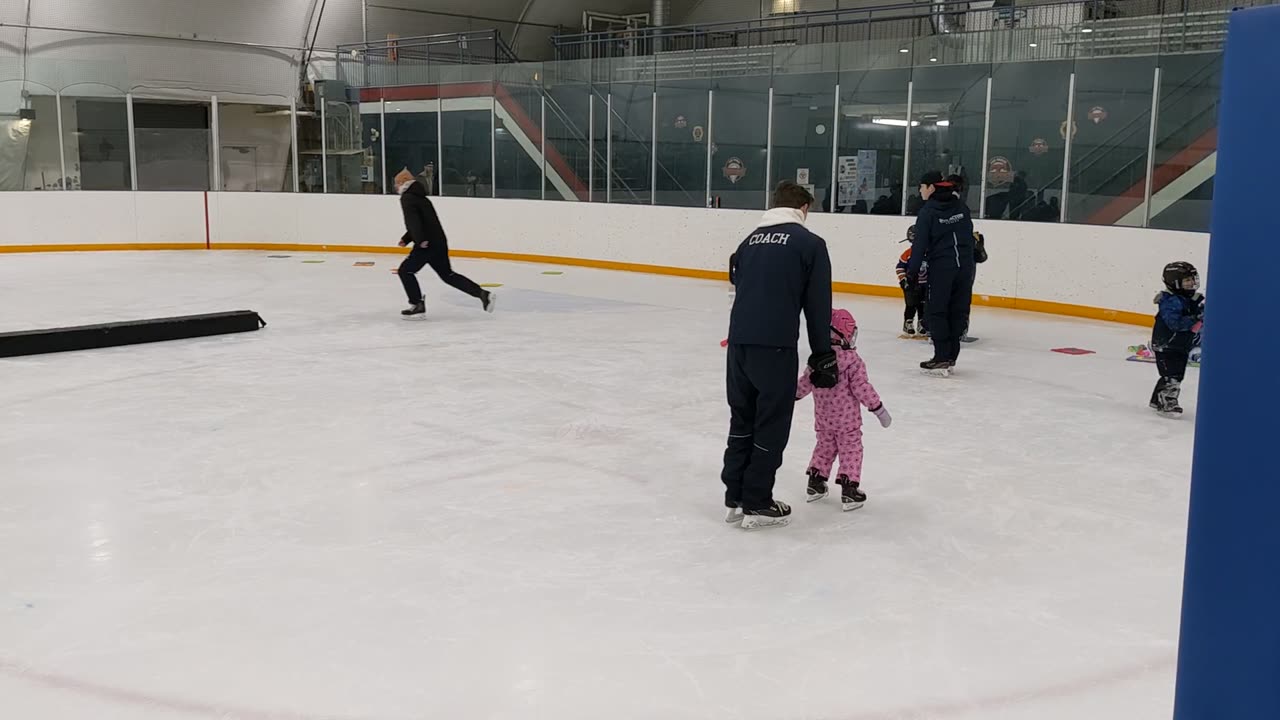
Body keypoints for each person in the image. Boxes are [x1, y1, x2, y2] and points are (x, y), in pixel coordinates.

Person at [722, 180, 835, 530]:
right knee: (771, 423)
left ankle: (735, 497)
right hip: (775, 348)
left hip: (738, 346)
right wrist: (822, 355)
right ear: (803, 208)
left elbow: (738, 285)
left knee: (742, 420)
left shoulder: (748, 242)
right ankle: (758, 500)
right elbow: (818, 307)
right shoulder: (810, 244)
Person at [795, 309, 892, 512]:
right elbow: (862, 388)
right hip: (847, 422)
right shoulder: (852, 362)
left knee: (824, 448)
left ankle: (815, 483)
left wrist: (789, 397)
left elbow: (805, 383)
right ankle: (849, 490)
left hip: (823, 420)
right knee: (851, 451)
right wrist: (879, 409)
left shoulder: (818, 359)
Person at [394, 168, 496, 318]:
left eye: (396, 184)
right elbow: (424, 222)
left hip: (426, 244)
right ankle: (482, 294)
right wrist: (407, 238)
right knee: (448, 275)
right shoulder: (421, 197)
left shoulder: (407, 198)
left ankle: (417, 303)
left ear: (403, 183)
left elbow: (413, 222)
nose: (395, 187)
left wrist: (419, 240)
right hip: (438, 241)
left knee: (405, 271)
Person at [906, 170, 975, 375]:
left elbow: (919, 246)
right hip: (965, 267)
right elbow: (969, 236)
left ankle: (941, 356)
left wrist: (912, 273)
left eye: (921, 186)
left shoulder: (928, 212)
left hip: (942, 269)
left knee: (936, 311)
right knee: (958, 310)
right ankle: (951, 355)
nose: (919, 190)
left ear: (931, 187)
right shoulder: (961, 207)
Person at [1150, 261, 1205, 416]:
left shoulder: (1190, 298)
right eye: (1187, 280)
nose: (1192, 283)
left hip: (1180, 344)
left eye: (1193, 279)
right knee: (1173, 375)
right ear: (1175, 282)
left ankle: (1156, 400)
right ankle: (1167, 403)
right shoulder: (1170, 301)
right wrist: (1196, 317)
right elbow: (1175, 323)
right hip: (1167, 344)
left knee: (1174, 373)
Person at [896, 226, 929, 336]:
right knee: (911, 304)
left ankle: (922, 323)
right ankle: (908, 322)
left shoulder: (929, 253)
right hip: (911, 284)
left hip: (925, 285)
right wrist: (903, 280)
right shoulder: (908, 253)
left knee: (923, 306)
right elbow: (900, 267)